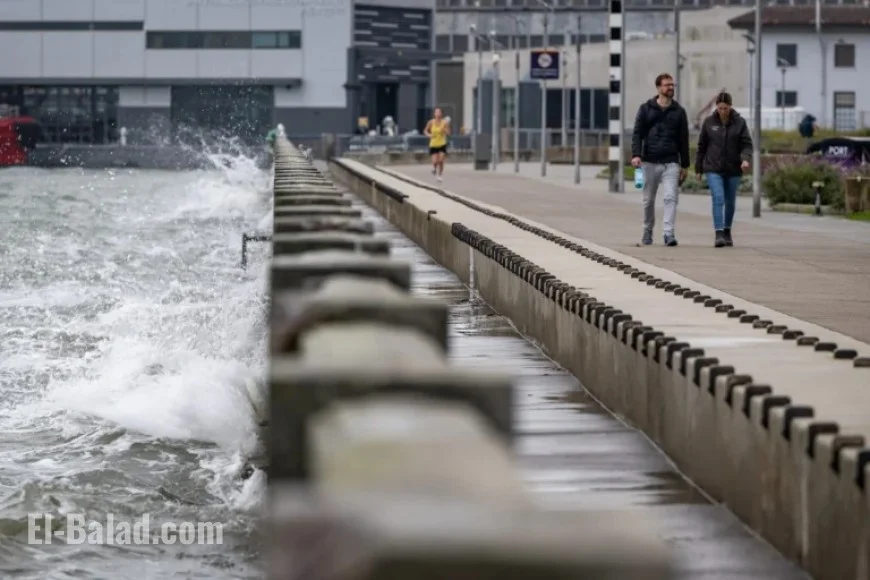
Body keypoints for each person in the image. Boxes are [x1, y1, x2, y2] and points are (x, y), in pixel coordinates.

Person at [630, 73, 690, 247]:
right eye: (666, 85)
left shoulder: (679, 112)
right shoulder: (645, 109)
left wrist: (684, 165)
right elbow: (637, 134)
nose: (670, 88)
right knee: (648, 200)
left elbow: (683, 139)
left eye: (672, 85)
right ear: (658, 88)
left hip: (670, 162)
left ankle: (668, 233)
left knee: (671, 197)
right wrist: (636, 154)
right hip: (649, 161)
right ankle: (648, 230)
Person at [694, 92, 752, 248]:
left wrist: (745, 159)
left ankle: (727, 231)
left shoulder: (739, 123)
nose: (722, 111)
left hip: (733, 168)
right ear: (716, 107)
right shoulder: (709, 122)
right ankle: (719, 233)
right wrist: (698, 169)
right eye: (720, 108)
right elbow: (702, 147)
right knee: (718, 198)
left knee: (730, 201)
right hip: (713, 167)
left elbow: (746, 144)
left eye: (725, 108)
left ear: (730, 107)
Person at [424, 107, 450, 182]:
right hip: (433, 144)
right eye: (436, 112)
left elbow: (448, 133)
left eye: (439, 112)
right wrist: (429, 135)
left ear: (441, 114)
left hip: (442, 143)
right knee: (435, 161)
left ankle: (440, 175)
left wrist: (444, 130)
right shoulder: (431, 122)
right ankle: (434, 168)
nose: (438, 114)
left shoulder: (445, 122)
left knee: (441, 160)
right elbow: (425, 131)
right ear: (434, 114)